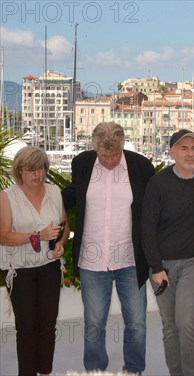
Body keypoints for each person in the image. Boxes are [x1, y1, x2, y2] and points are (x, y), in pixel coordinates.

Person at [62, 121, 155, 373]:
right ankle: (95, 371)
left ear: (123, 145)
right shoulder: (82, 164)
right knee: (94, 323)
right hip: (92, 259)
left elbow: (153, 208)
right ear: (95, 149)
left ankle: (133, 370)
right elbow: (70, 196)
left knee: (137, 322)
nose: (111, 160)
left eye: (115, 154)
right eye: (105, 155)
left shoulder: (140, 166)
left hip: (130, 259)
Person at [141, 129, 194, 376]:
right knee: (170, 326)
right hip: (161, 267)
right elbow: (147, 225)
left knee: (187, 322)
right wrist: (156, 268)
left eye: (193, 148)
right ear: (172, 152)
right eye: (183, 148)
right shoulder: (159, 183)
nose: (190, 154)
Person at [0, 146, 69, 376]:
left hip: (49, 267)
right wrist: (37, 236)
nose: (36, 174)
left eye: (40, 168)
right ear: (19, 171)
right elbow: (4, 236)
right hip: (21, 271)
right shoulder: (8, 197)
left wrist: (60, 243)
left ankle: (45, 372)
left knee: (48, 325)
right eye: (30, 170)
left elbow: (64, 226)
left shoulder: (55, 191)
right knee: (27, 328)